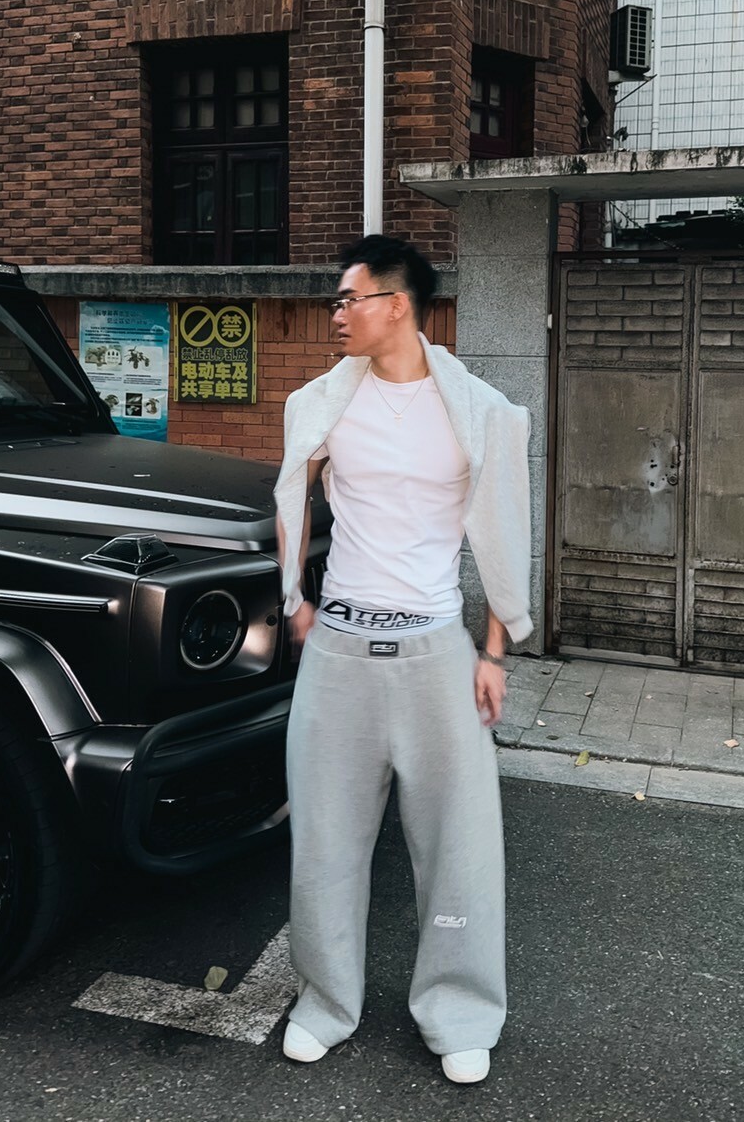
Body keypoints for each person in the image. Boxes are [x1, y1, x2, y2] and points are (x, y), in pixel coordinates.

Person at [273, 233, 533, 1086]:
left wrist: (492, 652)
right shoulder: (321, 402)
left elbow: (503, 532)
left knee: (460, 845)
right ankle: (324, 1002)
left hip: (434, 648)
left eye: (349, 299)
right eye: (337, 301)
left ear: (397, 305)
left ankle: (460, 1012)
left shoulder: (478, 410)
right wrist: (294, 598)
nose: (337, 314)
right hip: (340, 648)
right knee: (325, 841)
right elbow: (291, 493)